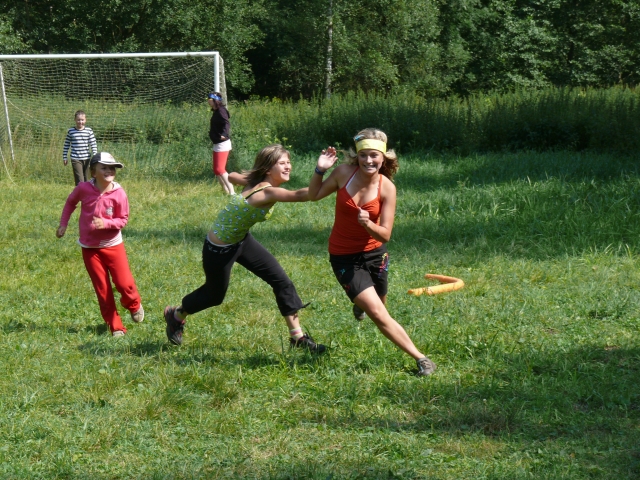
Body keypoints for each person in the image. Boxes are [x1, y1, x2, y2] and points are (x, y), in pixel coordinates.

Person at [163, 144, 326, 353]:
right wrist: (323, 173)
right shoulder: (266, 192)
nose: (288, 167)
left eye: (288, 162)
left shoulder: (256, 182)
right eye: (282, 163)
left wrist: (245, 179)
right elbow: (305, 195)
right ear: (268, 169)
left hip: (242, 240)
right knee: (214, 295)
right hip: (219, 249)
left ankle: (298, 338)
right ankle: (176, 315)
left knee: (282, 282)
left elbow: (231, 176)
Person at [308, 128, 437, 376]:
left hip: (375, 254)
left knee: (380, 304)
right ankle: (422, 359)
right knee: (378, 313)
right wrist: (320, 170)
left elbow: (385, 235)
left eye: (374, 155)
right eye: (363, 155)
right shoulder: (343, 174)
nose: (368, 160)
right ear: (356, 156)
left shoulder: (387, 188)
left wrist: (367, 224)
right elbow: (313, 195)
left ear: (383, 157)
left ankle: (361, 305)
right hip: (344, 256)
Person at [56, 152, 144, 337]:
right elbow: (71, 202)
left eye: (112, 168)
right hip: (90, 249)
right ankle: (116, 326)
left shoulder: (119, 193)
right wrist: (63, 224)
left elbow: (123, 219)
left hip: (113, 246)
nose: (109, 171)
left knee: (125, 283)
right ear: (93, 172)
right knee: (102, 289)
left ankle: (133, 304)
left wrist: (106, 223)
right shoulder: (83, 188)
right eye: (104, 167)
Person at [208, 92, 234, 194]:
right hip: (217, 143)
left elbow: (226, 123)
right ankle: (225, 191)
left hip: (222, 144)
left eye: (210, 99)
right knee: (216, 170)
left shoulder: (221, 111)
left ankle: (232, 193)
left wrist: (224, 133)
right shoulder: (216, 111)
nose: (208, 100)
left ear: (216, 100)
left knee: (220, 169)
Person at [62, 110, 98, 185]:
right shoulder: (71, 131)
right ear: (75, 120)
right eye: (78, 120)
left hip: (87, 158)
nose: (80, 122)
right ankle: (80, 192)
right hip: (76, 159)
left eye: (82, 120)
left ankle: (88, 192)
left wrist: (95, 154)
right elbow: (66, 144)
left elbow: (93, 143)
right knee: (80, 180)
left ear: (85, 120)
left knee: (87, 179)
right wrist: (65, 157)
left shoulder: (89, 131)